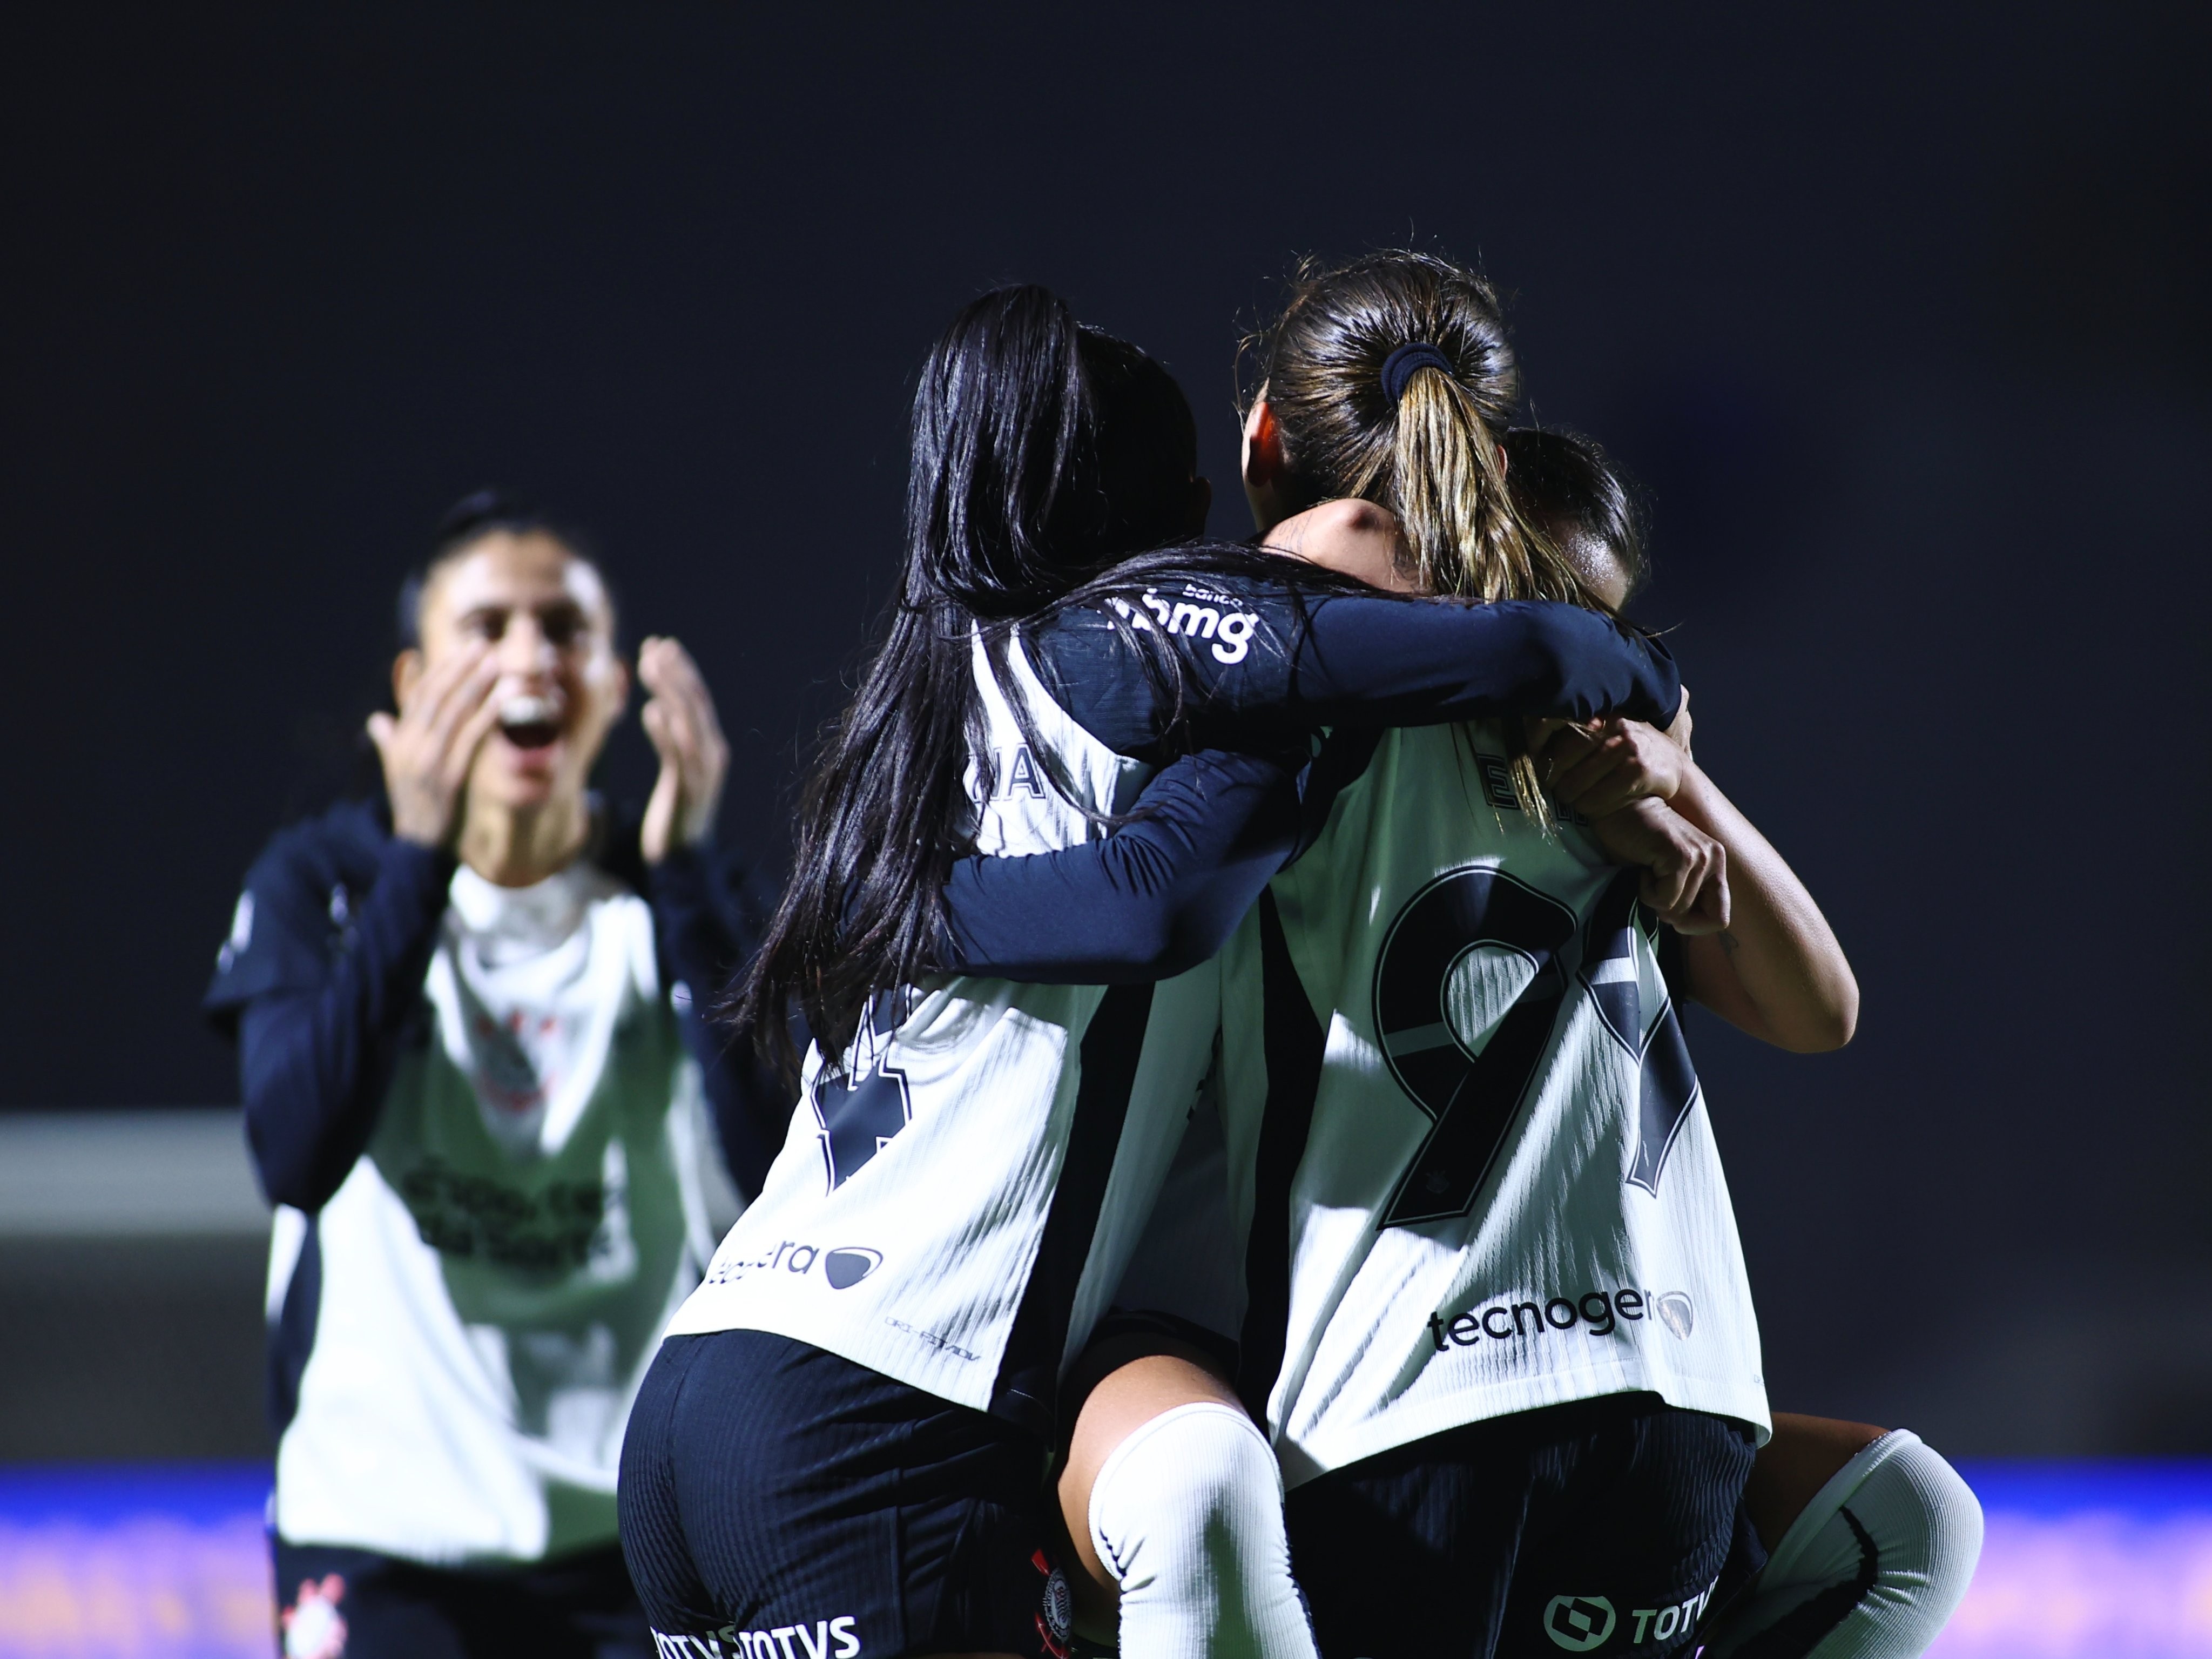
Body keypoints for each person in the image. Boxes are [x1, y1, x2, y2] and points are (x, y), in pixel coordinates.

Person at [613, 284, 1687, 1659]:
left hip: (714, 1389)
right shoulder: (1132, 630)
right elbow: (1162, 898)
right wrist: (1636, 686)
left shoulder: (913, 717)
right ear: (1185, 500)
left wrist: (907, 909)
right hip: (879, 1413)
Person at [1017, 252, 1833, 1659]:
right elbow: (1822, 1012)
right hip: (1683, 1395)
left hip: (1406, 1400)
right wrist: (1672, 775)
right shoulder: (1597, 728)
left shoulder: (1267, 696)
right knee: (1918, 1524)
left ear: (1260, 439)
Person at [205, 493, 786, 1659]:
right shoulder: (324, 882)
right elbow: (294, 1151)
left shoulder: (670, 888)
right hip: (382, 1533)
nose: (530, 657)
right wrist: (420, 861)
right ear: (414, 683)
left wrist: (688, 884)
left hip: (636, 1537)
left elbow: (782, 1176)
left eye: (563, 630)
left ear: (613, 684)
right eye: (488, 628)